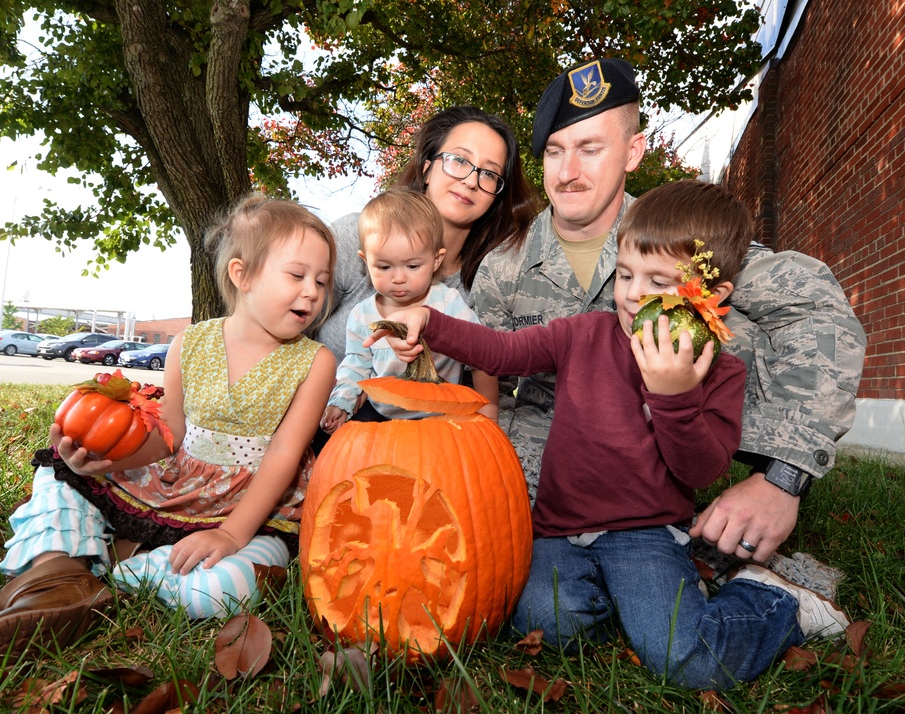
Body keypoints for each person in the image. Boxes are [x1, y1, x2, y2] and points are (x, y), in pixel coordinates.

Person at [369, 179, 851, 689]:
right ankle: (628, 604)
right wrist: (431, 321)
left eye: (659, 281)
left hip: (642, 534)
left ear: (711, 295)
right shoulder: (583, 333)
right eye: (625, 274)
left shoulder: (716, 367)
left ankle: (773, 598)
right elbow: (502, 352)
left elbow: (701, 469)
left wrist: (674, 397)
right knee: (543, 624)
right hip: (557, 528)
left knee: (686, 660)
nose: (634, 293)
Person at [471, 58, 866, 563]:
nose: (567, 173)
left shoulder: (680, 232)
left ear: (633, 151)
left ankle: (741, 527)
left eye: (590, 148)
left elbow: (814, 304)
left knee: (733, 331)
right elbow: (485, 394)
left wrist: (782, 479)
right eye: (554, 151)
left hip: (678, 437)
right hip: (556, 450)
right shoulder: (503, 268)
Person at [0, 196, 338, 669]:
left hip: (252, 504)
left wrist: (232, 535)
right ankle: (54, 579)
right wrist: (108, 461)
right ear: (242, 275)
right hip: (177, 482)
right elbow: (170, 434)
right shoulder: (191, 342)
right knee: (58, 475)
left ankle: (105, 572)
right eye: (297, 275)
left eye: (322, 282)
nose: (312, 292)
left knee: (216, 591)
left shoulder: (314, 362)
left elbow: (285, 452)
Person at [312, 106, 540, 366]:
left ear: (496, 197)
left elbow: (488, 373)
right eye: (460, 160)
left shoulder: (483, 289)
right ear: (427, 169)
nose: (470, 181)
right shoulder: (356, 236)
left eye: (489, 173)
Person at [320, 189, 498, 436]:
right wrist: (342, 402)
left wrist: (489, 411)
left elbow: (481, 355)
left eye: (413, 266)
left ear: (436, 260)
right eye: (384, 266)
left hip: (442, 414)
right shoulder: (363, 315)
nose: (399, 278)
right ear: (365, 261)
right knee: (348, 448)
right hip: (380, 413)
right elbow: (356, 365)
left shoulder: (447, 302)